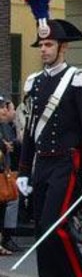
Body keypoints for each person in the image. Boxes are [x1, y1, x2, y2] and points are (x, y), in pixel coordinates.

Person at [16, 0, 82, 277]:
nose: (45, 50)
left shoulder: (78, 80)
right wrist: (23, 171)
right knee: (41, 232)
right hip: (42, 164)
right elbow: (30, 133)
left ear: (63, 48)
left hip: (68, 162)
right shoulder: (35, 84)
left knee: (55, 226)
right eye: (42, 45)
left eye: (50, 45)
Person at [1, 96, 21, 253]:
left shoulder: (6, 125)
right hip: (4, 171)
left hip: (5, 170)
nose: (5, 111)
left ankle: (4, 239)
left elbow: (12, 144)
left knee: (6, 203)